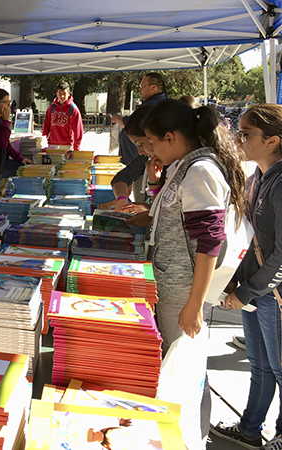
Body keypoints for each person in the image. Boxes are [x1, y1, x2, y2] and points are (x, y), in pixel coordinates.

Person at [144, 99, 246, 444]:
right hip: (173, 290)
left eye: (154, 142)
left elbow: (209, 244)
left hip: (184, 295)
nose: (152, 150)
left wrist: (194, 304)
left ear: (171, 137)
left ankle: (190, 439)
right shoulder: (184, 167)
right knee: (178, 374)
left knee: (186, 378)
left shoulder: (200, 170)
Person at [212, 104, 282, 450]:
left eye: (246, 134)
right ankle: (250, 429)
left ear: (272, 141)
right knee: (260, 365)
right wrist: (236, 283)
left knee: (280, 369)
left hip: (273, 294)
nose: (239, 139)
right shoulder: (257, 176)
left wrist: (248, 290)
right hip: (255, 292)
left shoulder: (280, 183)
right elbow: (248, 237)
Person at [113, 73, 167, 202]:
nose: (140, 151)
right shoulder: (148, 158)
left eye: (141, 144)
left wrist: (153, 184)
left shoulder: (180, 167)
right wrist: (121, 199)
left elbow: (164, 210)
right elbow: (121, 177)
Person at [42, 82, 83, 151]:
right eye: (60, 94)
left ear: (69, 93)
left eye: (64, 94)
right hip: (52, 144)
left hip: (67, 145)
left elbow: (78, 130)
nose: (62, 96)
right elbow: (46, 125)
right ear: (57, 94)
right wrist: (43, 142)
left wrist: (76, 148)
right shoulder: (51, 108)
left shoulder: (73, 109)